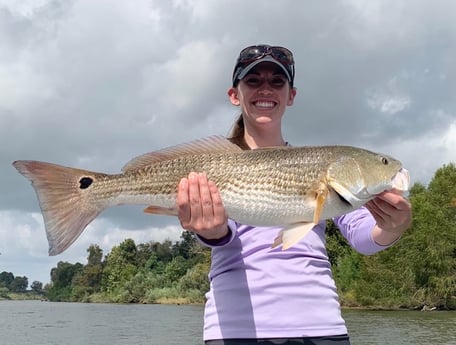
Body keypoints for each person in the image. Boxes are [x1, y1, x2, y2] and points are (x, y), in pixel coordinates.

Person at [176, 44, 412, 345]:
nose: (266, 89)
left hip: (320, 327)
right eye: (253, 80)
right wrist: (211, 230)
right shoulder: (216, 165)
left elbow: (364, 238)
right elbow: (224, 235)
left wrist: (394, 226)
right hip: (236, 331)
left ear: (291, 95)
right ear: (234, 94)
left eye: (277, 81)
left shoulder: (325, 168)